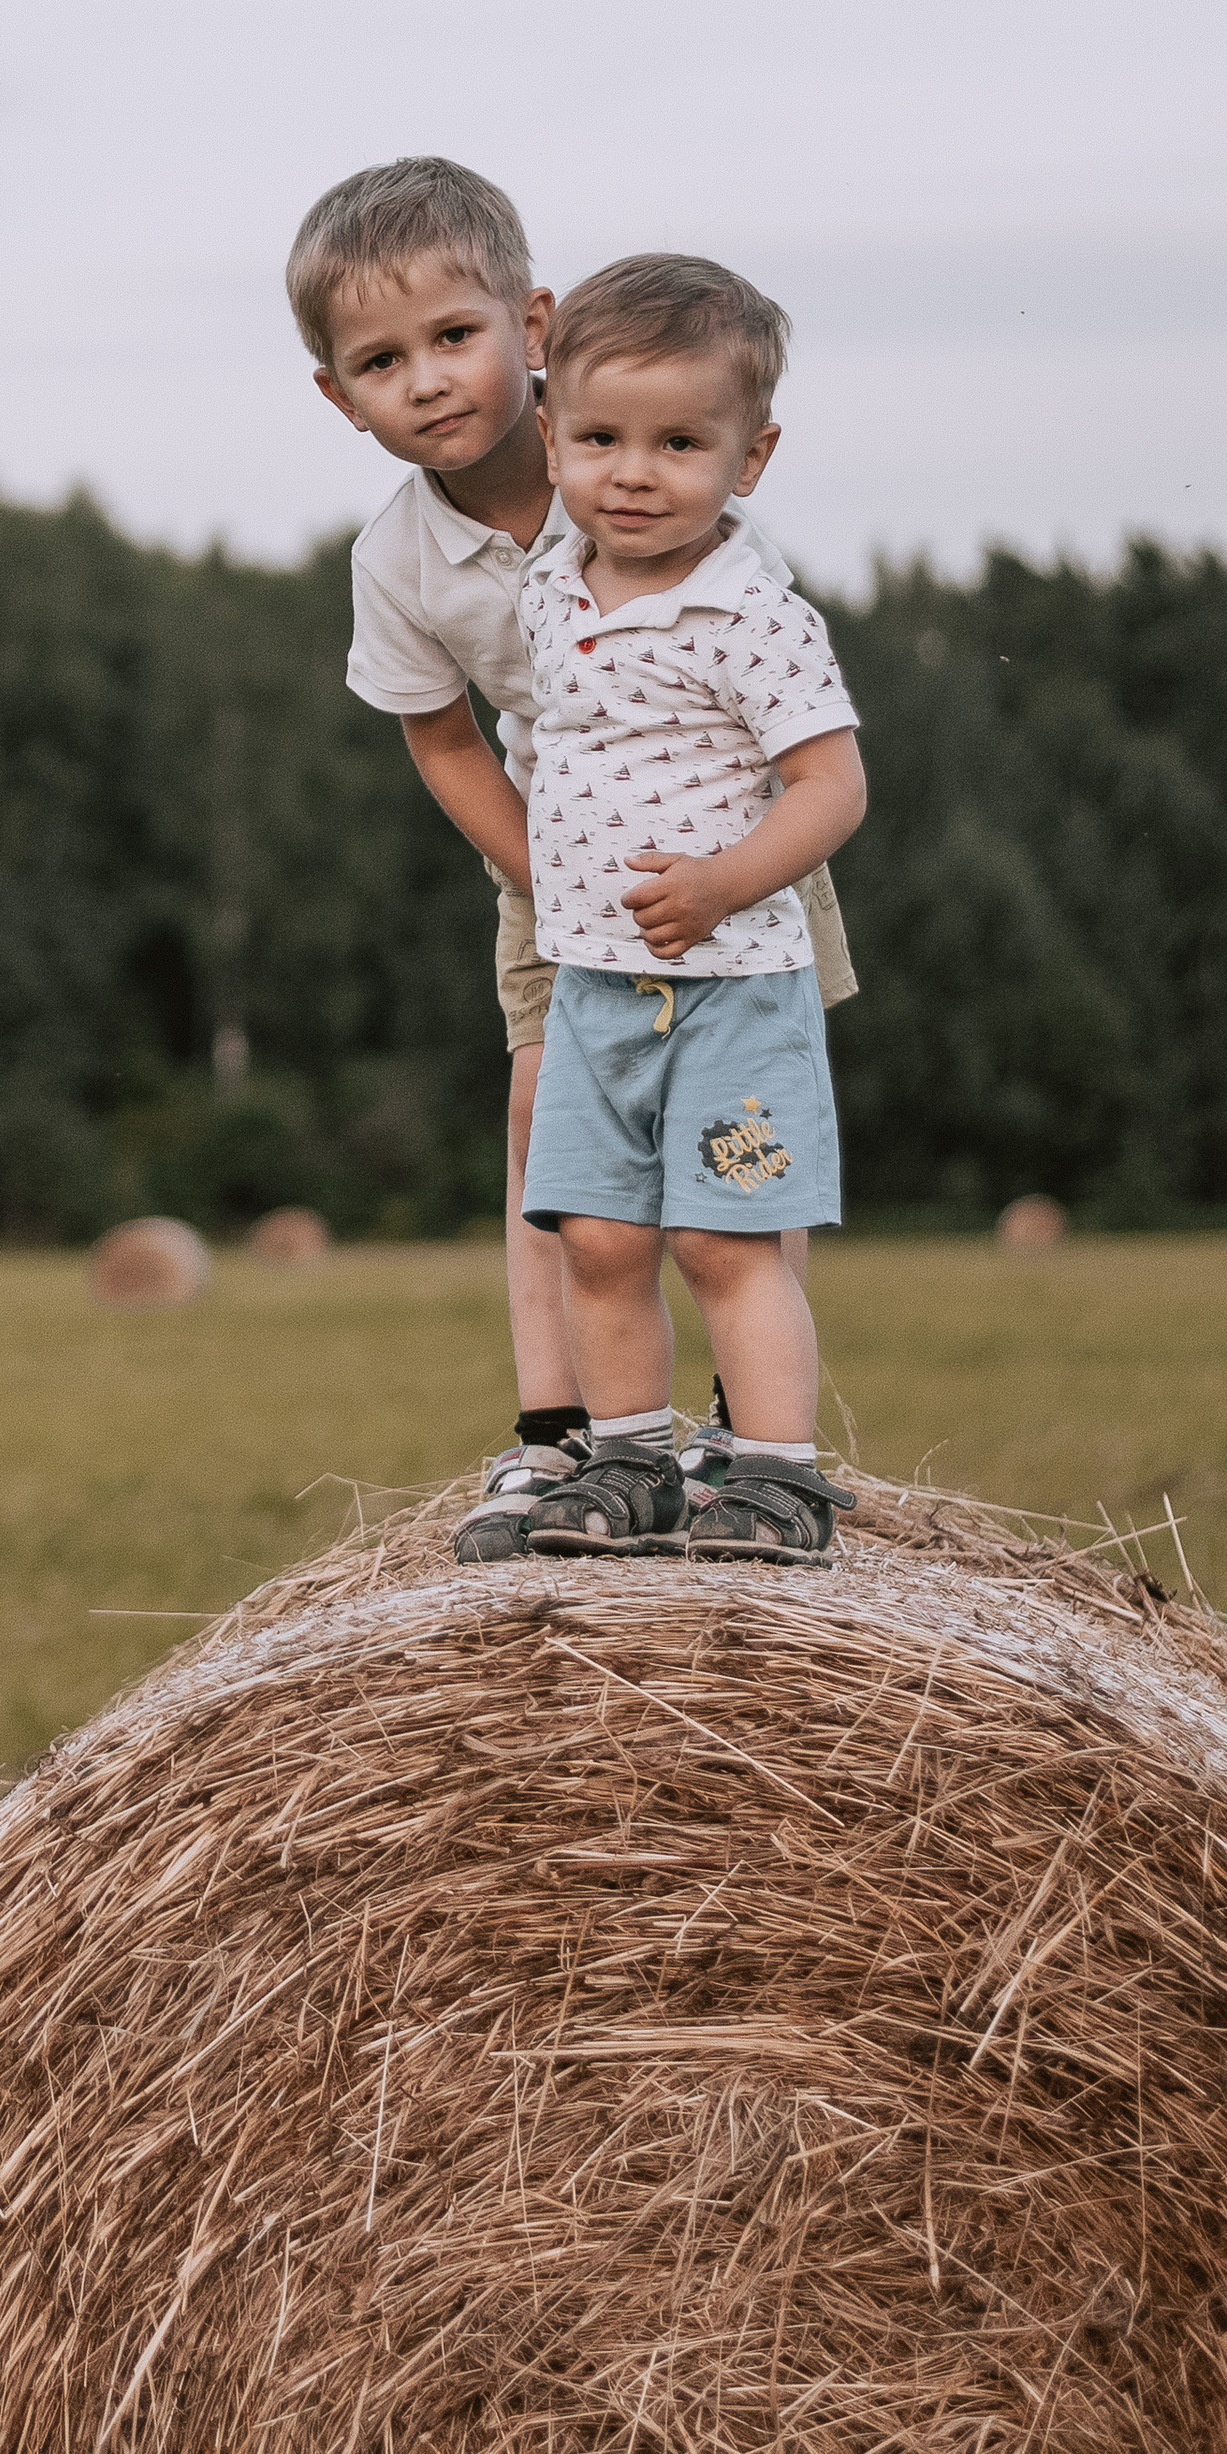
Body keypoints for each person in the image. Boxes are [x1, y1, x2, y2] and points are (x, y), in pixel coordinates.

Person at [289, 158, 855, 1560]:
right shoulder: (400, 562)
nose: (426, 379)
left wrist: (733, 868)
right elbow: (443, 741)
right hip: (550, 864)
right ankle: (564, 1439)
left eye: (454, 336)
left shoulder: (630, 441)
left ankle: (753, 1435)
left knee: (740, 1151)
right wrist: (541, 879)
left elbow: (785, 705)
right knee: (550, 1128)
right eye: (380, 359)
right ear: (337, 395)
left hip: (735, 852)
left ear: (529, 325)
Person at [509, 252, 867, 1562]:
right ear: (548, 435)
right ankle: (631, 1465)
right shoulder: (553, 586)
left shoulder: (755, 614)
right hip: (596, 989)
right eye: (598, 436)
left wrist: (725, 881)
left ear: (750, 456)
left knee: (724, 1244)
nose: (633, 470)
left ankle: (778, 1479)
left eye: (679, 441)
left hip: (735, 992)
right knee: (598, 1241)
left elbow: (833, 787)